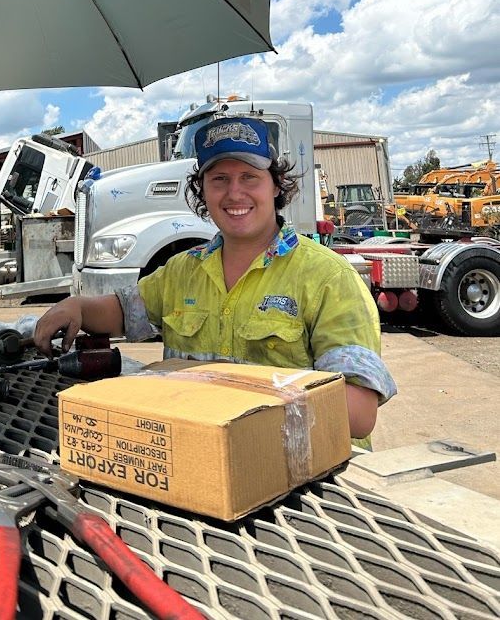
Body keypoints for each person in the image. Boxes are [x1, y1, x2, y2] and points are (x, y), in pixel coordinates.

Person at [34, 115, 396, 445]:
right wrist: (76, 306)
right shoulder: (183, 271)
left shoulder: (328, 278)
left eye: (249, 177)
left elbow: (358, 414)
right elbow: (122, 312)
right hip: (200, 455)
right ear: (203, 191)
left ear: (275, 185)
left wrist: (222, 396)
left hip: (304, 477)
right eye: (219, 179)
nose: (234, 193)